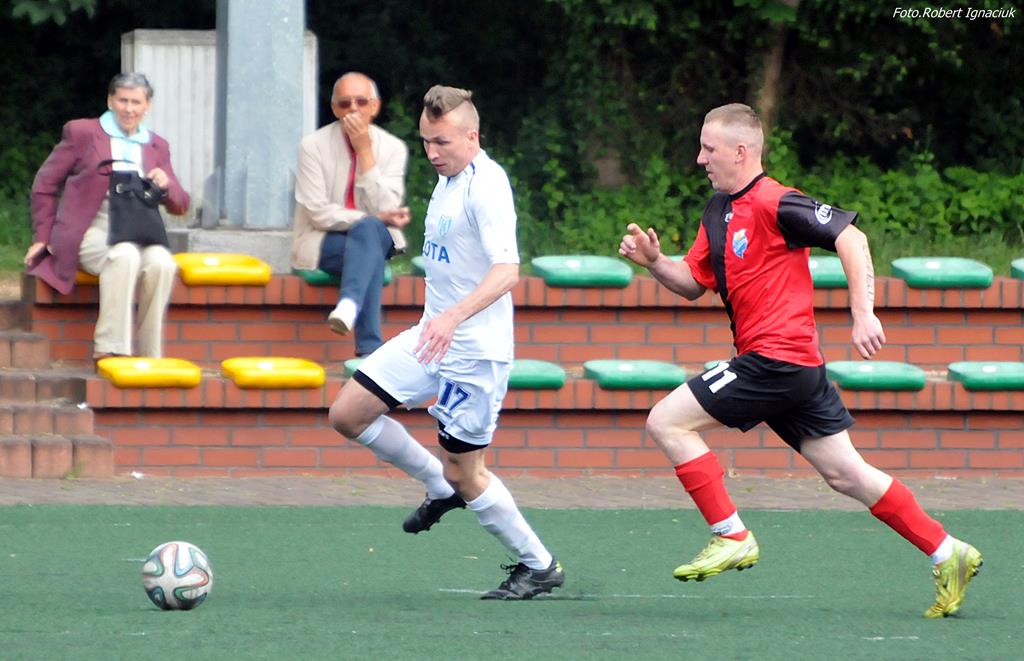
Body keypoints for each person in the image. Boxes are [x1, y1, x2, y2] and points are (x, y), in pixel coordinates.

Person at [618, 103, 981, 619]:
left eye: (708, 149)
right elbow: (694, 283)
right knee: (847, 475)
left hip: (776, 360)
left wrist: (864, 313)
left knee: (666, 422)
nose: (700, 159)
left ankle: (731, 535)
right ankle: (948, 551)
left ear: (741, 152)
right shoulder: (717, 211)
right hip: (793, 368)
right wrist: (655, 262)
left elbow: (851, 237)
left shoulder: (776, 201)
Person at [328, 85, 564, 600]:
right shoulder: (447, 180)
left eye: (442, 142)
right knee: (348, 413)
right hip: (431, 336)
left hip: (475, 352)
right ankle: (437, 485)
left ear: (471, 137)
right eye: (426, 142)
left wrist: (452, 317)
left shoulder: (487, 186)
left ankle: (539, 565)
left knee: (466, 472)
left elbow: (507, 270)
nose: (432, 153)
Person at [26, 72, 189, 362]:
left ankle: (150, 355)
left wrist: (166, 185)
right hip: (91, 226)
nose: (129, 109)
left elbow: (181, 204)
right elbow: (44, 185)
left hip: (138, 227)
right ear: (110, 101)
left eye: (136, 102)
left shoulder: (157, 145)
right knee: (124, 256)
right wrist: (43, 235)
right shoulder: (82, 133)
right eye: (123, 100)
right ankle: (111, 348)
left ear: (147, 106)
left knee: (163, 263)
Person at [291, 71, 411, 356]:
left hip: (375, 237)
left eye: (361, 102)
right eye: (345, 103)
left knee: (368, 234)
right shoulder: (312, 146)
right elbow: (317, 213)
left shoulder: (393, 148)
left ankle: (348, 305)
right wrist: (371, 219)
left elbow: (387, 207)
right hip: (323, 239)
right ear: (335, 109)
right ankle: (370, 348)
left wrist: (366, 153)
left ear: (375, 106)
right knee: (369, 246)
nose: (353, 109)